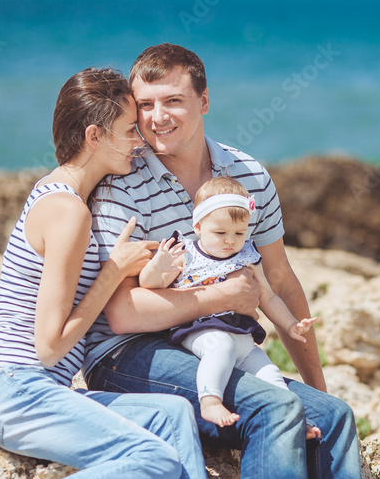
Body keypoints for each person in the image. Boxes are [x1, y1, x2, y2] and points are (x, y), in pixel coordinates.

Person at [83, 43, 380, 479]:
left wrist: (315, 389)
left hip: (215, 347)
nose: (158, 117)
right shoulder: (123, 181)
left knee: (335, 415)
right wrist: (219, 298)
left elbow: (281, 279)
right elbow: (124, 315)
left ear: (205, 100)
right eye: (145, 104)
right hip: (127, 355)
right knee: (272, 406)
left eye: (174, 100)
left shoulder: (247, 177)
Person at [0, 66, 264, 479]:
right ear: (94, 137)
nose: (140, 142)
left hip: (42, 389)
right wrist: (113, 275)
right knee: (154, 459)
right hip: (11, 388)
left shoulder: (68, 200)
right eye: (128, 131)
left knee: (170, 414)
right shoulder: (67, 211)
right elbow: (49, 346)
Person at [137, 176, 319, 433]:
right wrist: (158, 265)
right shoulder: (185, 254)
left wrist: (291, 325)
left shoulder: (248, 256)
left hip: (243, 337)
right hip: (202, 331)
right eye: (220, 232)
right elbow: (149, 285)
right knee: (220, 348)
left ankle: (294, 420)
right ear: (198, 226)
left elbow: (267, 296)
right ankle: (210, 401)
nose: (230, 241)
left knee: (270, 372)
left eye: (239, 233)